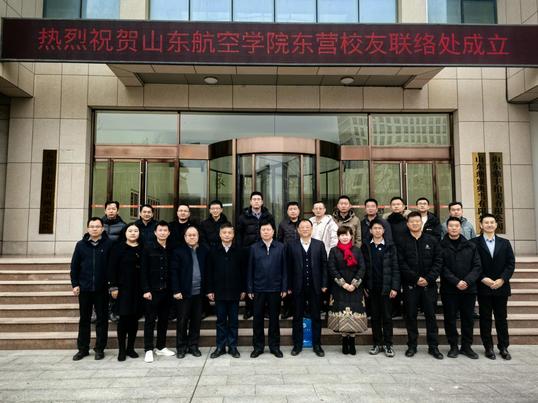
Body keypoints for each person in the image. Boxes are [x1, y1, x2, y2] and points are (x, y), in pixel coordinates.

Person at [397, 211, 444, 359]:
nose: (415, 224)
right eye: (412, 222)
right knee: (410, 316)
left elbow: (438, 261)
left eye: (417, 221)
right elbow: (401, 263)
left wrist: (428, 278)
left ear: (421, 223)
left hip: (429, 285)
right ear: (407, 224)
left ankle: (433, 347)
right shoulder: (402, 241)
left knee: (431, 316)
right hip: (410, 286)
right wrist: (415, 278)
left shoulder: (432, 240)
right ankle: (412, 345)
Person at [471, 214, 515, 360]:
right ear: (481, 225)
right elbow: (473, 264)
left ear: (496, 225)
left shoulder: (505, 243)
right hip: (483, 286)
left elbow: (510, 264)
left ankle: (503, 347)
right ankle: (488, 347)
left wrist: (502, 279)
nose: (489, 225)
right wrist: (483, 278)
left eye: (492, 222)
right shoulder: (474, 243)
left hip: (501, 287)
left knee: (501, 318)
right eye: (486, 222)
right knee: (485, 318)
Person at [70, 217, 113, 361]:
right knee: (84, 319)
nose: (95, 229)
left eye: (97, 226)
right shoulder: (81, 245)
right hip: (85, 288)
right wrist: (75, 284)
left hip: (102, 289)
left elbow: (112, 267)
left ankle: (99, 348)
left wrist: (111, 285)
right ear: (88, 228)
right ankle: (83, 349)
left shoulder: (109, 244)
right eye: (92, 226)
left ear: (102, 228)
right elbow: (74, 267)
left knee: (102, 319)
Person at [440, 216, 482, 359]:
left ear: (460, 228)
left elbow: (477, 266)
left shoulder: (471, 245)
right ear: (447, 228)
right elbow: (441, 267)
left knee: (468, 319)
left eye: (456, 226)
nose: (453, 228)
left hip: (469, 289)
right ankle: (453, 346)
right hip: (449, 289)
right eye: (451, 226)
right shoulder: (441, 246)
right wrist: (456, 282)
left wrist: (467, 281)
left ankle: (466, 346)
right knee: (450, 319)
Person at [287, 219, 328, 357]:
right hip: (297, 287)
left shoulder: (319, 244)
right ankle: (297, 345)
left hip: (315, 287)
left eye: (307, 227)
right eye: (302, 227)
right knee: (297, 317)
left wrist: (324, 284)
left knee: (316, 316)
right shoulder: (291, 245)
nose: (305, 229)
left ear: (311, 229)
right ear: (298, 230)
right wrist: (288, 286)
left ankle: (317, 345)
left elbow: (324, 266)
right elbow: (288, 267)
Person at [205, 223, 246, 359]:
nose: (227, 235)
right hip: (219, 292)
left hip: (235, 292)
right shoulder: (213, 251)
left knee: (233, 321)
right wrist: (210, 290)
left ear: (233, 235)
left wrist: (243, 289)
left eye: (229, 233)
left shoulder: (239, 251)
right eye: (224, 233)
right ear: (220, 234)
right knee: (221, 321)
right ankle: (220, 347)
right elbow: (209, 272)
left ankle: (233, 347)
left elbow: (243, 272)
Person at [247, 220, 287, 358]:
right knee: (257, 319)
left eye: (268, 229)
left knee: (274, 320)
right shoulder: (254, 248)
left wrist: (284, 287)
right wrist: (250, 289)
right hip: (258, 288)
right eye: (263, 230)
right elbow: (250, 269)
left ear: (273, 231)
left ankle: (274, 347)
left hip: (275, 289)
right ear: (260, 232)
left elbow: (285, 269)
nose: (266, 232)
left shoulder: (281, 247)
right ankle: (258, 347)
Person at [361, 219, 400, 357]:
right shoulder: (366, 246)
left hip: (387, 288)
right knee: (375, 317)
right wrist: (364, 285)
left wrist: (395, 287)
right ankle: (377, 343)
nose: (377, 230)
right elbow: (363, 268)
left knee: (387, 317)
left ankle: (388, 344)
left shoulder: (390, 246)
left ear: (384, 230)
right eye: (375, 228)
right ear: (370, 231)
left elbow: (395, 268)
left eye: (380, 228)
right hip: (372, 288)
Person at [171, 226, 209, 358]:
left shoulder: (204, 250)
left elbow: (208, 271)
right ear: (185, 237)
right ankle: (181, 347)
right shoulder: (178, 251)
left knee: (196, 321)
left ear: (198, 236)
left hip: (199, 293)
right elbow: (174, 272)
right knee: (182, 321)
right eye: (189, 235)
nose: (192, 237)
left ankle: (193, 346)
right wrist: (176, 290)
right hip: (183, 293)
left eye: (194, 235)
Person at [327, 226, 366, 355]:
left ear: (351, 236)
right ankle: (344, 341)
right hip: (339, 287)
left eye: (347, 235)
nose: (344, 237)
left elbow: (362, 267)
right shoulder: (334, 251)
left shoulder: (357, 250)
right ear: (338, 237)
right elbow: (332, 268)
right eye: (342, 235)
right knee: (342, 314)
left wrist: (354, 284)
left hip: (355, 288)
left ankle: (352, 342)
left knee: (354, 313)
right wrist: (343, 284)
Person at [108, 223, 144, 361]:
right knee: (123, 320)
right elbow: (111, 268)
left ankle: (131, 348)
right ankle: (122, 350)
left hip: (138, 289)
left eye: (136, 231)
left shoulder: (143, 248)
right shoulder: (118, 248)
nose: (133, 233)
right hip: (123, 289)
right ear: (125, 233)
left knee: (134, 319)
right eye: (130, 231)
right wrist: (113, 287)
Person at [237, 191, 275, 319]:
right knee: (249, 278)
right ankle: (249, 308)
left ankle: (265, 309)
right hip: (248, 252)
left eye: (259, 199)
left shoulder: (268, 216)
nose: (256, 201)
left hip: (265, 251)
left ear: (262, 201)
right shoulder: (243, 217)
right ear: (250, 201)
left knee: (265, 278)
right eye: (254, 199)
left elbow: (273, 233)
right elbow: (239, 235)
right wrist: (241, 250)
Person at [141, 220, 175, 363]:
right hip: (152, 291)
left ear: (169, 232)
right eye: (160, 230)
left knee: (163, 320)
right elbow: (143, 271)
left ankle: (160, 346)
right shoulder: (148, 248)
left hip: (167, 291)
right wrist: (146, 289)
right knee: (150, 320)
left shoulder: (172, 248)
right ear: (155, 232)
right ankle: (148, 349)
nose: (162, 233)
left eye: (165, 230)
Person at [102, 200, 126, 322]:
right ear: (105, 210)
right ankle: (97, 310)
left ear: (118, 211)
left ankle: (112, 310)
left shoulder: (123, 226)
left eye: (113, 209)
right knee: (101, 285)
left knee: (114, 285)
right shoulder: (99, 224)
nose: (111, 211)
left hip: (116, 259)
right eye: (109, 209)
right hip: (101, 258)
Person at [277, 201, 301, 319]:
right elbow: (279, 240)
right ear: (287, 211)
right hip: (287, 257)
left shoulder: (303, 223)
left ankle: (298, 308)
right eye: (290, 209)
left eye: (295, 209)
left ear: (299, 211)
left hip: (301, 256)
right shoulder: (283, 224)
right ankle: (287, 309)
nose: (293, 211)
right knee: (287, 283)